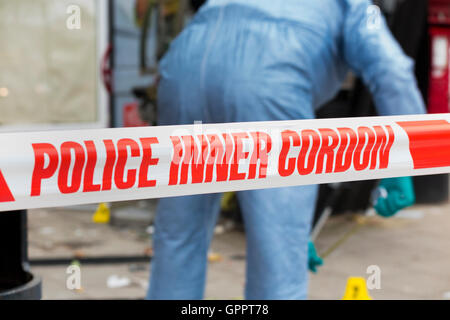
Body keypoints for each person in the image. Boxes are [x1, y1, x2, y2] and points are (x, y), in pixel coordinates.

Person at [147, 0, 426, 300]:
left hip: (185, 70)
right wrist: (409, 153)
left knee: (178, 233)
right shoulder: (355, 5)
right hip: (265, 78)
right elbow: (390, 68)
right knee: (278, 256)